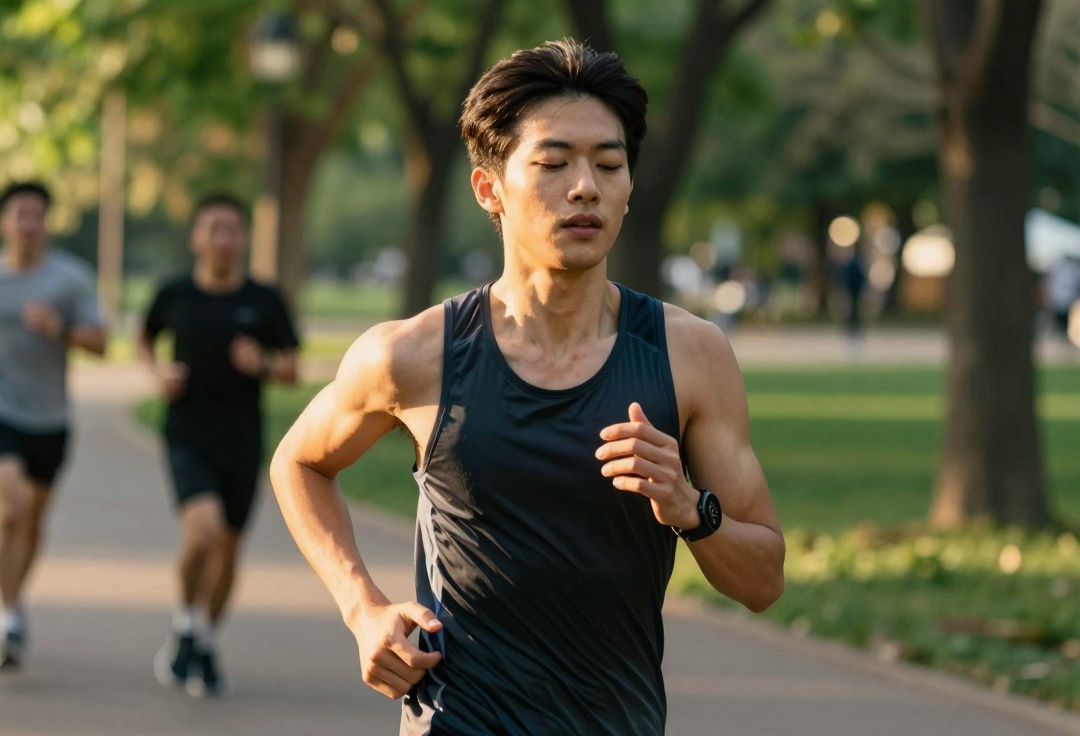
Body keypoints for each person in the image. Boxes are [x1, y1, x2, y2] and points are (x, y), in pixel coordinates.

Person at [270, 39, 784, 735]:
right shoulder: (413, 356)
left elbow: (763, 581)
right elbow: (299, 462)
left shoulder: (689, 356)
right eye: (553, 163)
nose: (585, 187)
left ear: (629, 187)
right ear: (490, 189)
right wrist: (362, 607)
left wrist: (690, 508)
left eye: (609, 164)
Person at [137, 194, 300, 697]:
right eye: (213, 228)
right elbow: (143, 339)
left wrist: (263, 364)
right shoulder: (175, 294)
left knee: (228, 548)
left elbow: (292, 367)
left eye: (232, 229)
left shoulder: (264, 299)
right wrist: (157, 373)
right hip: (187, 431)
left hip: (242, 438)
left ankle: (201, 640)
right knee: (202, 530)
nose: (223, 239)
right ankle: (187, 622)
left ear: (243, 238)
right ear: (196, 238)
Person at [0, 182, 107, 672]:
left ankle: (12, 603)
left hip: (50, 417)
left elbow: (100, 343)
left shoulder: (70, 279)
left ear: (47, 223)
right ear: (2, 223)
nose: (28, 224)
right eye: (19, 215)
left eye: (37, 215)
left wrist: (59, 329)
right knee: (10, 508)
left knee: (33, 522)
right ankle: (5, 614)